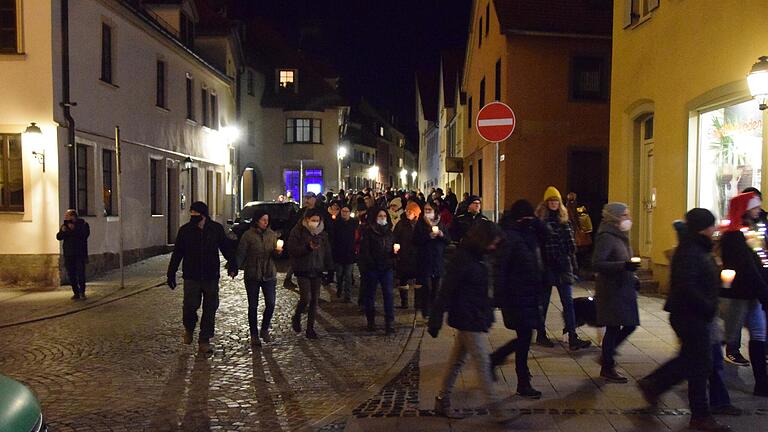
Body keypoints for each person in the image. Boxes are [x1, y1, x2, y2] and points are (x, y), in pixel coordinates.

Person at [638, 209, 732, 432]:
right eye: (712, 225)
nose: (715, 229)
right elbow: (686, 285)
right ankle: (700, 416)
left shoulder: (698, 247)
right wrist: (708, 305)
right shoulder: (691, 250)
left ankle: (653, 384)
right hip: (691, 314)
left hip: (694, 313)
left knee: (690, 360)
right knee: (701, 365)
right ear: (703, 228)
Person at [428, 220, 506, 421]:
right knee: (482, 362)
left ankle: (441, 400)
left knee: (457, 361)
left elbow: (484, 289)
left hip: (475, 316)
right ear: (483, 240)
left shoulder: (481, 256)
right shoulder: (463, 258)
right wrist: (435, 318)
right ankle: (497, 409)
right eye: (492, 242)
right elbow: (446, 290)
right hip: (467, 317)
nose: (493, 247)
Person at [490, 200, 546, 399]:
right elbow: (500, 268)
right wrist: (499, 296)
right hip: (516, 295)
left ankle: (497, 360)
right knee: (524, 337)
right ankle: (522, 381)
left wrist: (537, 222)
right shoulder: (510, 237)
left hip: (530, 293)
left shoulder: (527, 232)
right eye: (527, 217)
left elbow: (547, 234)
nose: (529, 221)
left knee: (525, 337)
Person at [167, 201, 238, 354]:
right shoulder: (185, 231)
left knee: (210, 308)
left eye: (196, 215)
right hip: (191, 275)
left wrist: (233, 264)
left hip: (211, 275)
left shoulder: (215, 229)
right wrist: (171, 272)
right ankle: (189, 328)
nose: (193, 217)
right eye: (191, 214)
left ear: (203, 215)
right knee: (190, 306)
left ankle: (204, 339)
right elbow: (178, 252)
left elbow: (225, 248)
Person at [718, 192, 768, 395]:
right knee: (725, 336)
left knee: (759, 334)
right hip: (738, 295)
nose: (758, 210)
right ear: (746, 209)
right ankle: (691, 369)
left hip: (752, 295)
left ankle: (762, 384)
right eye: (755, 207)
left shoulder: (749, 232)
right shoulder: (733, 236)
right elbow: (747, 267)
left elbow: (758, 263)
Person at [535, 187, 591, 350]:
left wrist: (571, 263)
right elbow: (540, 245)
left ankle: (572, 336)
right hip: (547, 266)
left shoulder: (564, 220)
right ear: (546, 203)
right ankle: (540, 334)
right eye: (551, 201)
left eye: (556, 201)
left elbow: (571, 245)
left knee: (568, 303)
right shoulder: (541, 221)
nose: (553, 204)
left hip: (563, 266)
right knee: (543, 303)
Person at [592, 202, 640, 383]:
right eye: (624, 215)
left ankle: (607, 357)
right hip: (612, 289)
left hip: (623, 287)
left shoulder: (621, 235)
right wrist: (624, 266)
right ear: (614, 217)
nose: (628, 219)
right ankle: (607, 365)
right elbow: (597, 263)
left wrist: (633, 276)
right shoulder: (606, 236)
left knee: (629, 324)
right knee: (614, 327)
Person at [236, 209, 282, 347]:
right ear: (257, 220)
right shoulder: (248, 235)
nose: (266, 222)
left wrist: (277, 252)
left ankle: (265, 329)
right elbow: (241, 253)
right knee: (253, 306)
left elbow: (275, 254)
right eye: (263, 220)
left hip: (269, 273)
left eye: (267, 220)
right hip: (252, 274)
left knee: (271, 303)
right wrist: (234, 268)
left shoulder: (271, 235)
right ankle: (254, 335)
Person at [286, 208, 334, 339]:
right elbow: (292, 249)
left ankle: (310, 329)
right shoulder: (298, 231)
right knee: (305, 298)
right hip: (303, 268)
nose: (315, 223)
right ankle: (297, 316)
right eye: (313, 220)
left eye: (317, 221)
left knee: (314, 300)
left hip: (317, 268)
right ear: (307, 220)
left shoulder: (322, 233)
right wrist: (307, 248)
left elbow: (327, 251)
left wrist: (330, 268)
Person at [358, 208, 397, 334]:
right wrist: (371, 263)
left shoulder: (390, 233)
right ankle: (371, 321)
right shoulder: (369, 232)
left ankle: (389, 323)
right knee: (370, 295)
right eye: (380, 215)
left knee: (389, 296)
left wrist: (394, 253)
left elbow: (392, 248)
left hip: (387, 268)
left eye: (384, 216)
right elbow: (365, 251)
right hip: (373, 268)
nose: (382, 218)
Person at [413, 201, 450, 319]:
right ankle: (426, 310)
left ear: (435, 211)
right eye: (426, 210)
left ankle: (434, 310)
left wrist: (441, 234)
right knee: (426, 287)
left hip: (437, 260)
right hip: (425, 259)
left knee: (436, 287)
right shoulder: (420, 224)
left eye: (429, 210)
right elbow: (415, 240)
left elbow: (448, 240)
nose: (427, 212)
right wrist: (428, 236)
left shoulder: (441, 223)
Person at [56, 209, 91, 300]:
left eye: (67, 216)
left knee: (80, 273)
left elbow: (84, 235)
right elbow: (59, 237)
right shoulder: (65, 225)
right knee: (71, 274)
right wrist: (62, 231)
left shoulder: (83, 224)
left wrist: (73, 230)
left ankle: (82, 292)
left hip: (79, 253)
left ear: (73, 216)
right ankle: (76, 292)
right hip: (68, 254)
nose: (66, 218)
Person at [393, 201, 422, 309]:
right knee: (403, 279)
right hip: (404, 256)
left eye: (410, 211)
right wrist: (395, 247)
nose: (408, 213)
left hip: (417, 256)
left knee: (418, 281)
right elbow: (395, 237)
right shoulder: (401, 224)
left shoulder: (420, 224)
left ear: (415, 213)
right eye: (407, 210)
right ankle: (404, 302)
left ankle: (417, 303)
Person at [332, 204, 357, 302]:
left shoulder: (354, 223)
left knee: (348, 275)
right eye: (343, 211)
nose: (345, 213)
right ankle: (339, 289)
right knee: (339, 274)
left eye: (347, 212)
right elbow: (333, 238)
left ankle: (348, 295)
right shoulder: (336, 223)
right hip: (339, 253)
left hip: (349, 253)